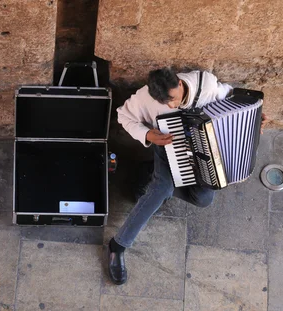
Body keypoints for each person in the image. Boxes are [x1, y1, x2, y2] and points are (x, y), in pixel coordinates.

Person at [108, 67, 266, 285]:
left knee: (203, 199)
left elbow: (230, 94)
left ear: (180, 84)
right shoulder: (146, 96)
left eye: (173, 99)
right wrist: (147, 133)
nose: (172, 106)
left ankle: (150, 176)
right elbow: (123, 115)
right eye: (165, 103)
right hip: (166, 145)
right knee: (160, 190)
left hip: (203, 151)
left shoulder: (206, 84)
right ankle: (118, 246)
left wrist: (254, 116)